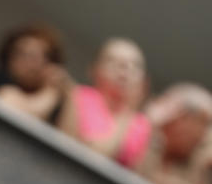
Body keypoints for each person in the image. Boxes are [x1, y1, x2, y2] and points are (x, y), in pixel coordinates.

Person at [57, 38, 152, 171]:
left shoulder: (144, 124)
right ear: (93, 70)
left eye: (134, 65)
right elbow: (88, 154)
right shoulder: (79, 97)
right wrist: (128, 115)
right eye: (114, 62)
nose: (125, 70)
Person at [0, 24, 71, 124]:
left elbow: (65, 137)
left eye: (37, 57)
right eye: (23, 54)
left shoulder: (58, 104)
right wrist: (52, 91)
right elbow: (19, 115)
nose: (29, 63)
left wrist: (69, 96)